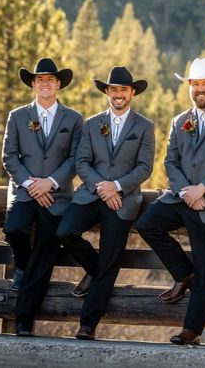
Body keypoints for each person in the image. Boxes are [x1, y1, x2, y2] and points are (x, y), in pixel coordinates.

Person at [136, 57, 205, 346]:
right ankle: (183, 274)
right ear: (189, 86)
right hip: (182, 197)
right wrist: (186, 190)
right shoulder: (179, 121)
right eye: (194, 84)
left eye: (204, 83)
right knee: (148, 223)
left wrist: (203, 189)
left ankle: (192, 330)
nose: (199, 88)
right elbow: (170, 161)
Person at [57, 66, 155, 340]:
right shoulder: (91, 124)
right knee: (65, 232)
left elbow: (144, 168)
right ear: (107, 92)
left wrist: (117, 187)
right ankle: (92, 269)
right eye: (114, 89)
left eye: (124, 89)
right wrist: (103, 186)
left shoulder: (144, 127)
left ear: (132, 92)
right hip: (91, 193)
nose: (118, 94)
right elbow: (82, 162)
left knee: (110, 262)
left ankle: (87, 324)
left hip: (122, 200)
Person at [2, 57, 83, 336]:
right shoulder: (18, 116)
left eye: (50, 80)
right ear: (33, 85)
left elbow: (75, 159)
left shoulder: (73, 119)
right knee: (13, 230)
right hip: (25, 193)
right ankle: (21, 265)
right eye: (40, 80)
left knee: (44, 258)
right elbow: (9, 156)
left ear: (58, 84)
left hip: (57, 197)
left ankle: (24, 321)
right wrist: (29, 183)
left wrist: (50, 183)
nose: (45, 84)